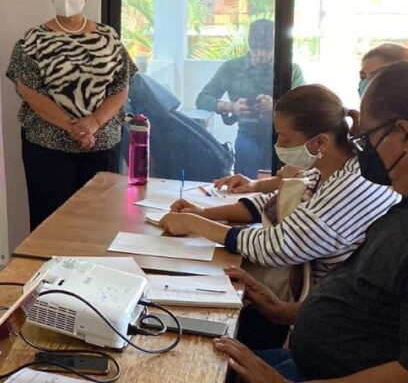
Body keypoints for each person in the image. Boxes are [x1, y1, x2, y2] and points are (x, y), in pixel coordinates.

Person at [162, 84, 400, 349]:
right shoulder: (327, 168)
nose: (279, 146)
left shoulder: (350, 187)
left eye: (285, 139)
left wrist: (195, 225)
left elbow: (277, 246)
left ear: (320, 142)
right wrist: (205, 213)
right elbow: (273, 203)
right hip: (307, 308)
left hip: (333, 335)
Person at [214, 60, 408, 382]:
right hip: (305, 362)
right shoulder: (399, 211)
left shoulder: (360, 192)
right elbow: (360, 297)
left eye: (368, 138)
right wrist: (280, 309)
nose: (362, 152)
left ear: (402, 134)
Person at [6, 0, 137, 230]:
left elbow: (120, 87)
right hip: (48, 149)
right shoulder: (33, 39)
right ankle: (49, 274)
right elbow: (29, 92)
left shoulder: (108, 37)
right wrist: (73, 127)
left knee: (99, 225)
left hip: (102, 147)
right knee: (50, 225)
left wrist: (94, 123)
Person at [196, 19, 305, 178]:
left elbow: (303, 105)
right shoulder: (232, 67)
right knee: (243, 179)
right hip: (248, 133)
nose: (260, 54)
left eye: (266, 50)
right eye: (256, 50)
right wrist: (231, 107)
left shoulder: (290, 70)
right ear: (249, 45)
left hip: (282, 135)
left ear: (275, 47)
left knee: (281, 183)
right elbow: (202, 99)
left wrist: (274, 106)